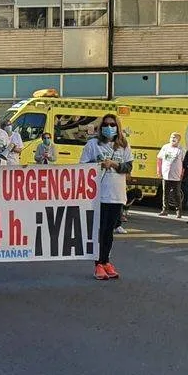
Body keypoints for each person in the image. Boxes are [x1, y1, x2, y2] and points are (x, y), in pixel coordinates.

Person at [80, 114, 132, 281]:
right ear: (101, 126)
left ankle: (106, 261)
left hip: (117, 194)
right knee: (100, 230)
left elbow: (128, 167)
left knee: (109, 231)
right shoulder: (93, 144)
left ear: (117, 127)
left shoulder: (123, 145)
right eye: (106, 124)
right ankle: (98, 264)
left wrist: (114, 164)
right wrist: (98, 163)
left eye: (112, 124)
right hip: (99, 194)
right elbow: (82, 167)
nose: (109, 127)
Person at [156, 132, 184, 218]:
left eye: (175, 137)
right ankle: (165, 210)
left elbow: (184, 162)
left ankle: (178, 211)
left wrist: (182, 173)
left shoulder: (181, 149)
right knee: (165, 193)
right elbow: (159, 159)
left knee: (176, 194)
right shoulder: (165, 147)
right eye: (172, 137)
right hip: (166, 174)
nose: (173, 139)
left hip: (176, 175)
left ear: (179, 140)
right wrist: (159, 170)